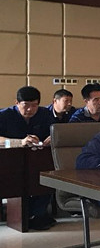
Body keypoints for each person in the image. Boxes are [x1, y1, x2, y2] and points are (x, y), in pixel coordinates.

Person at [0, 86, 57, 230]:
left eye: (34, 105)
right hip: (9, 160)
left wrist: (53, 137)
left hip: (37, 159)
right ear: (17, 103)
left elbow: (55, 131)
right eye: (26, 105)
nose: (30, 109)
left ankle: (38, 215)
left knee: (45, 178)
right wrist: (19, 142)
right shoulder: (5, 115)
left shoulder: (44, 114)